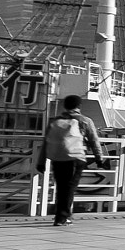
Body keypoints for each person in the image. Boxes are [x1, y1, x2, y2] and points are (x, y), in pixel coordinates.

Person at [41, 95, 104, 226]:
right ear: (79, 106)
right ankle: (62, 218)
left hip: (57, 158)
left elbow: (45, 142)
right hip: (76, 158)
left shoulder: (54, 121)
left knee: (61, 187)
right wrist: (99, 158)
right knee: (69, 188)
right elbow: (94, 140)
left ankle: (60, 216)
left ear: (65, 106)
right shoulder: (85, 121)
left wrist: (41, 162)